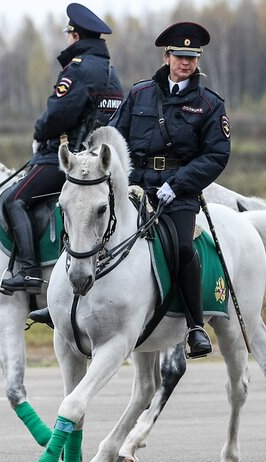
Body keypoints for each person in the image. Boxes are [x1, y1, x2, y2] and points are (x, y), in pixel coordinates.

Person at [108, 21, 231, 358]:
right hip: (135, 186)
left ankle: (194, 326)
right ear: (167, 57)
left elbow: (216, 155)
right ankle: (68, 305)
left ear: (197, 60)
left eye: (191, 57)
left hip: (178, 192)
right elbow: (115, 138)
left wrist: (177, 185)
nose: (185, 62)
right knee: (92, 226)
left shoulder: (209, 104)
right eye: (179, 56)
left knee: (181, 247)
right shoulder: (139, 94)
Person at [0, 3, 124, 294]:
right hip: (100, 160)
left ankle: (29, 273)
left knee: (14, 200)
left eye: (68, 35)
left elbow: (58, 115)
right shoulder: (110, 72)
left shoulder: (77, 71)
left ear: (75, 37)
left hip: (69, 158)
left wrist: (39, 131)